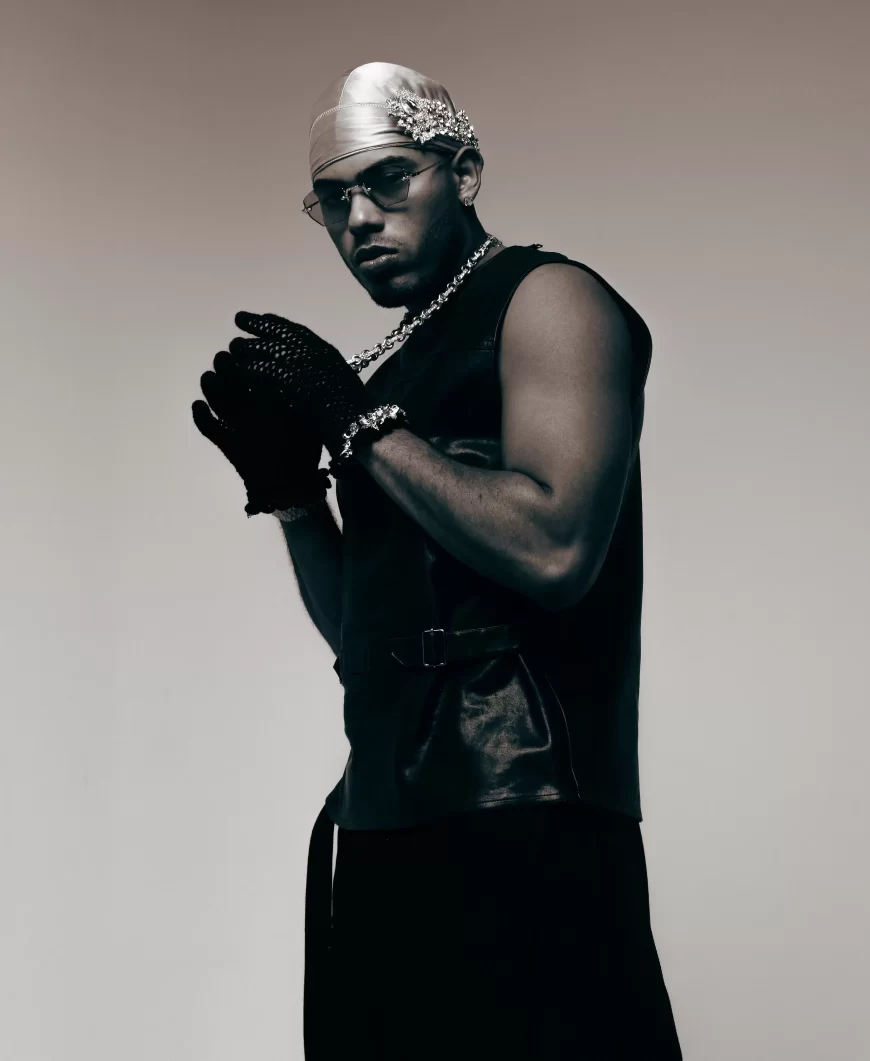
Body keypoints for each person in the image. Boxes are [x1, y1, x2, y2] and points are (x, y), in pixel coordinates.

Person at [192, 62, 682, 1060]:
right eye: (334, 200)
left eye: (387, 181)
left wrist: (356, 424)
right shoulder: (396, 364)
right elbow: (363, 640)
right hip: (381, 817)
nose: (359, 219)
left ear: (463, 173)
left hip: (522, 811)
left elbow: (555, 549)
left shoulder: (550, 300)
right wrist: (294, 497)